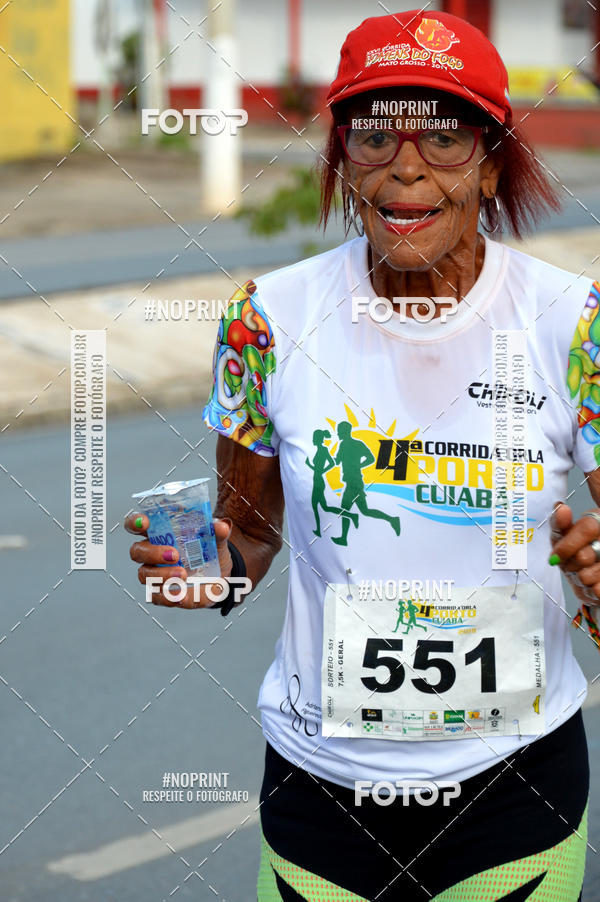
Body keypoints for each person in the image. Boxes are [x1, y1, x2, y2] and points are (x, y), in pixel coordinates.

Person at [125, 10, 600, 900]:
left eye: (446, 139)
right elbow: (249, 535)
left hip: (515, 786)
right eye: (374, 136)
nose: (406, 167)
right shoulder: (266, 319)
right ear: (342, 159)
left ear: (494, 161)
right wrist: (211, 570)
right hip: (318, 789)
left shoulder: (576, 324)